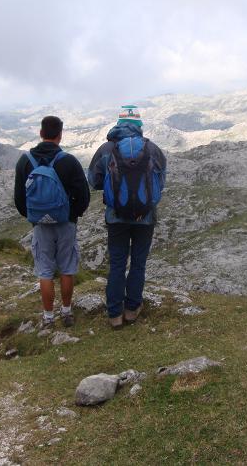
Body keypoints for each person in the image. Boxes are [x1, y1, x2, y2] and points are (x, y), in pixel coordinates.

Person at [88, 105, 166, 329]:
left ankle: (114, 314)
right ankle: (132, 310)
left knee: (117, 264)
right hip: (146, 218)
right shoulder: (154, 150)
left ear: (118, 124)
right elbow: (160, 184)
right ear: (139, 126)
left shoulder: (106, 149)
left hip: (116, 218)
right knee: (138, 264)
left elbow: (93, 181)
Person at [14, 115, 90, 329]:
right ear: (60, 135)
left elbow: (19, 199)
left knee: (45, 270)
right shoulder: (69, 161)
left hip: (40, 226)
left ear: (41, 133)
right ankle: (66, 312)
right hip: (66, 223)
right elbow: (83, 196)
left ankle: (48, 317)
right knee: (67, 268)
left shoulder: (25, 161)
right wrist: (72, 215)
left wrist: (35, 218)